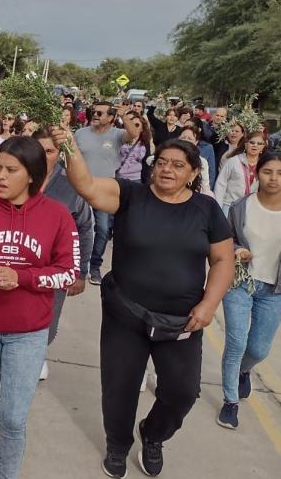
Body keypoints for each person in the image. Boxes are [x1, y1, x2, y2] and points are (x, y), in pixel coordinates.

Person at [53, 129, 234, 479]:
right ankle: (117, 445)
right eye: (162, 162)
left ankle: (153, 435)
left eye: (178, 165)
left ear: (194, 173)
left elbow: (223, 260)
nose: (167, 170)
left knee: (182, 392)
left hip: (181, 322)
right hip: (126, 313)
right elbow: (87, 186)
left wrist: (209, 303)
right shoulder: (130, 193)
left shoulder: (206, 209)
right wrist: (69, 145)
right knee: (120, 387)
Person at [0, 136, 79, 479]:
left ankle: (8, 474)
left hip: (28, 333)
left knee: (12, 416)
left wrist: (21, 279)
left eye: (11, 170)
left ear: (33, 175)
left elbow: (68, 272)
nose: (1, 177)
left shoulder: (58, 216)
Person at [217, 152, 281, 429]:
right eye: (268, 172)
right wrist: (237, 249)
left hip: (274, 290)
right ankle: (230, 401)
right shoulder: (241, 207)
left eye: (279, 172)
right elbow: (226, 240)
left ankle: (244, 370)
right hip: (240, 284)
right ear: (257, 174)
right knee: (236, 343)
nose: (274, 178)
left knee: (258, 348)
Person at [33, 129, 94, 380]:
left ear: (59, 154)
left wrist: (80, 271)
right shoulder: (17, 177)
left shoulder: (71, 184)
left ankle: (38, 355)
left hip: (56, 269)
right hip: (19, 265)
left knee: (48, 319)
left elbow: (85, 229)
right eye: (38, 151)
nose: (43, 157)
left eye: (49, 151)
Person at [72, 102, 138, 286]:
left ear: (111, 117)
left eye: (100, 113)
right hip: (79, 189)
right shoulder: (80, 133)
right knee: (74, 229)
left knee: (101, 230)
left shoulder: (116, 134)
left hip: (104, 190)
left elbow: (134, 134)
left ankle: (94, 268)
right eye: (94, 112)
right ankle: (75, 265)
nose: (95, 115)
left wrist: (125, 116)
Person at [214, 132, 266, 214]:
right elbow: (220, 184)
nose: (255, 145)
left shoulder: (264, 165)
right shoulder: (233, 161)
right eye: (252, 142)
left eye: (259, 143)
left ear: (263, 147)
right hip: (229, 206)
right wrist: (217, 208)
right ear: (246, 145)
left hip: (251, 208)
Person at [117, 112, 150, 182]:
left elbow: (145, 163)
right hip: (118, 177)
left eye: (137, 125)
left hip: (136, 179)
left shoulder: (145, 142)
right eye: (131, 124)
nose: (133, 127)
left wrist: (146, 182)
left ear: (142, 129)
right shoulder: (120, 139)